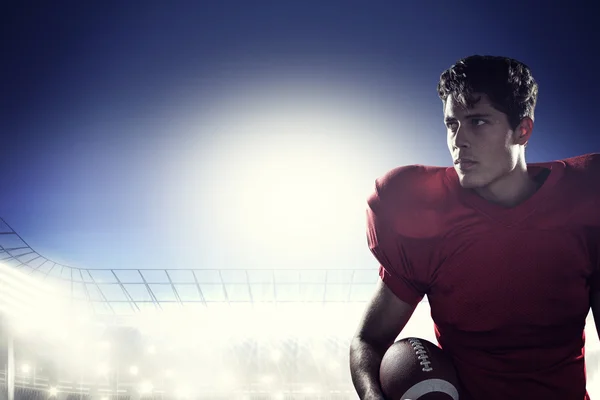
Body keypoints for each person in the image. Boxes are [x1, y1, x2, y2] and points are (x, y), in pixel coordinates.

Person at [349, 55, 600, 400]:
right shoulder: (425, 214)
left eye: (478, 121)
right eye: (452, 124)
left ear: (522, 130)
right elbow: (369, 340)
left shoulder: (584, 201)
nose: (459, 140)